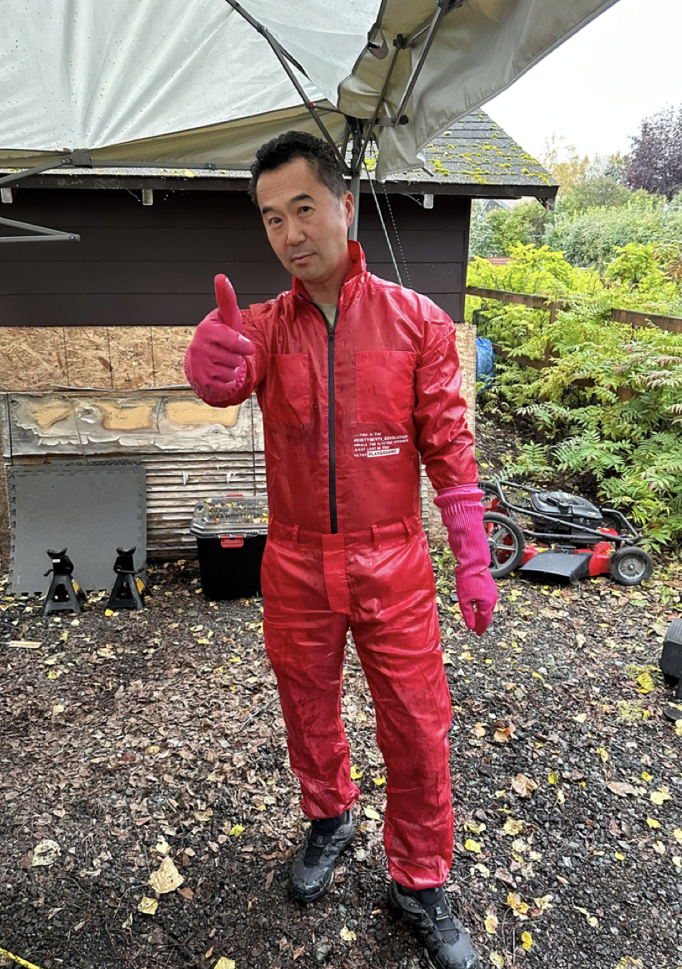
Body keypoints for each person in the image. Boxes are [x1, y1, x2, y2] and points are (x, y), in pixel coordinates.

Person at [185, 131, 497, 969]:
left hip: (393, 561)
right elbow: (224, 376)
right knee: (307, 708)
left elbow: (450, 448)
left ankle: (420, 882)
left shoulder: (417, 322)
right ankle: (331, 819)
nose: (289, 232)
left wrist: (470, 554)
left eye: (304, 208)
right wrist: (208, 368)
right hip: (293, 559)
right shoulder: (260, 328)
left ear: (344, 206)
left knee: (420, 728)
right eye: (270, 217)